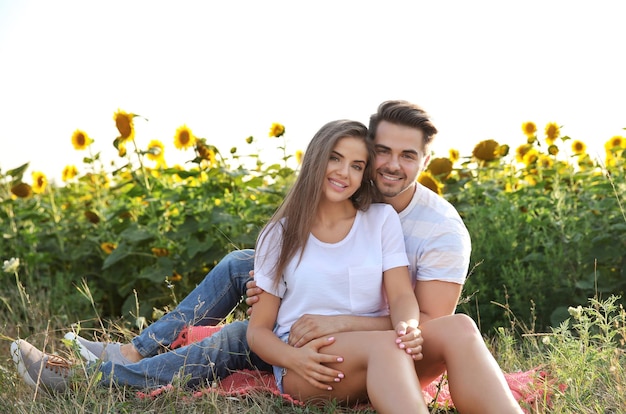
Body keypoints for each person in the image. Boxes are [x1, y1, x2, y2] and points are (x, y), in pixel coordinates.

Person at [12, 100, 523, 412]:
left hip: (398, 346)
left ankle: (108, 371)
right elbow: (278, 309)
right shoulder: (291, 229)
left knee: (457, 328)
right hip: (319, 347)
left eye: (406, 156)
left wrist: (345, 323)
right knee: (243, 279)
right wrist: (280, 304)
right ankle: (122, 361)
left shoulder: (428, 227)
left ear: (424, 160)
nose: (388, 166)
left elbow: (420, 314)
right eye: (380, 153)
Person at [246, 119, 428, 412]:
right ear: (317, 159)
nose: (344, 173)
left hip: (374, 352)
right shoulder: (279, 233)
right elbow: (258, 332)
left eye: (357, 166)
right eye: (335, 158)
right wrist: (294, 359)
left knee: (459, 328)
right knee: (386, 346)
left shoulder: (381, 220)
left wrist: (408, 326)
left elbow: (402, 297)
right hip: (308, 362)